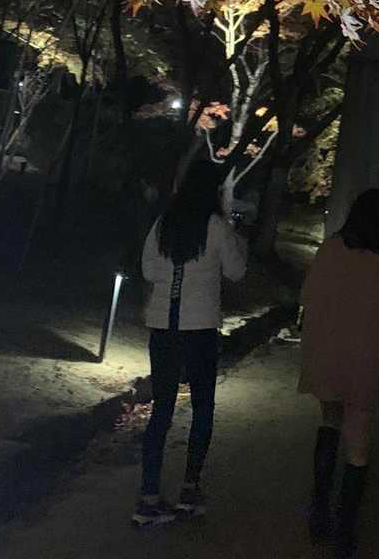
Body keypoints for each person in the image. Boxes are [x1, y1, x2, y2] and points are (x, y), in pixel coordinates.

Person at [299, 189, 379, 558]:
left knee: (329, 420)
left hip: (327, 354)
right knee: (358, 444)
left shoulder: (330, 250)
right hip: (367, 361)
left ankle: (319, 508)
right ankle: (345, 530)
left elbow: (308, 297)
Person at [134, 158, 247, 527]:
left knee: (162, 410)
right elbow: (236, 271)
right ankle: (189, 489)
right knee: (202, 407)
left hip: (163, 326)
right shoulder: (216, 226)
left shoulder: (164, 223)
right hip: (199, 327)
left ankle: (148, 496)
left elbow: (148, 269)